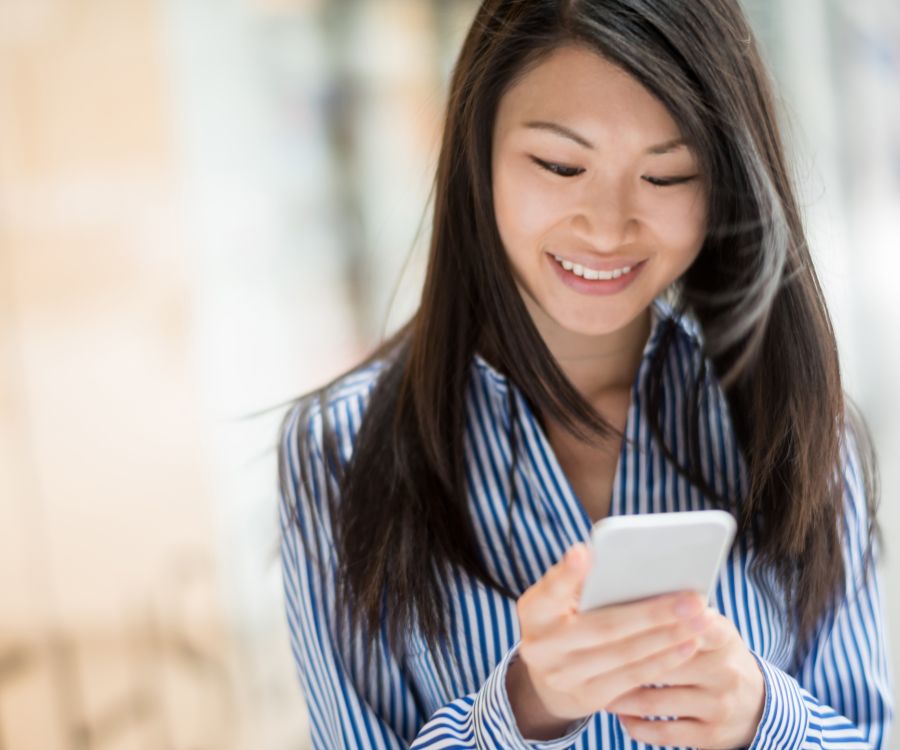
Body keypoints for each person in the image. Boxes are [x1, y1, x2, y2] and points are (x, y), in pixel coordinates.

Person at [277, 1, 894, 747]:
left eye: (667, 175)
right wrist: (522, 708)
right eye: (560, 165)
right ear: (476, 157)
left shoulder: (793, 424)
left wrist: (761, 717)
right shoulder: (336, 449)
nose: (607, 227)